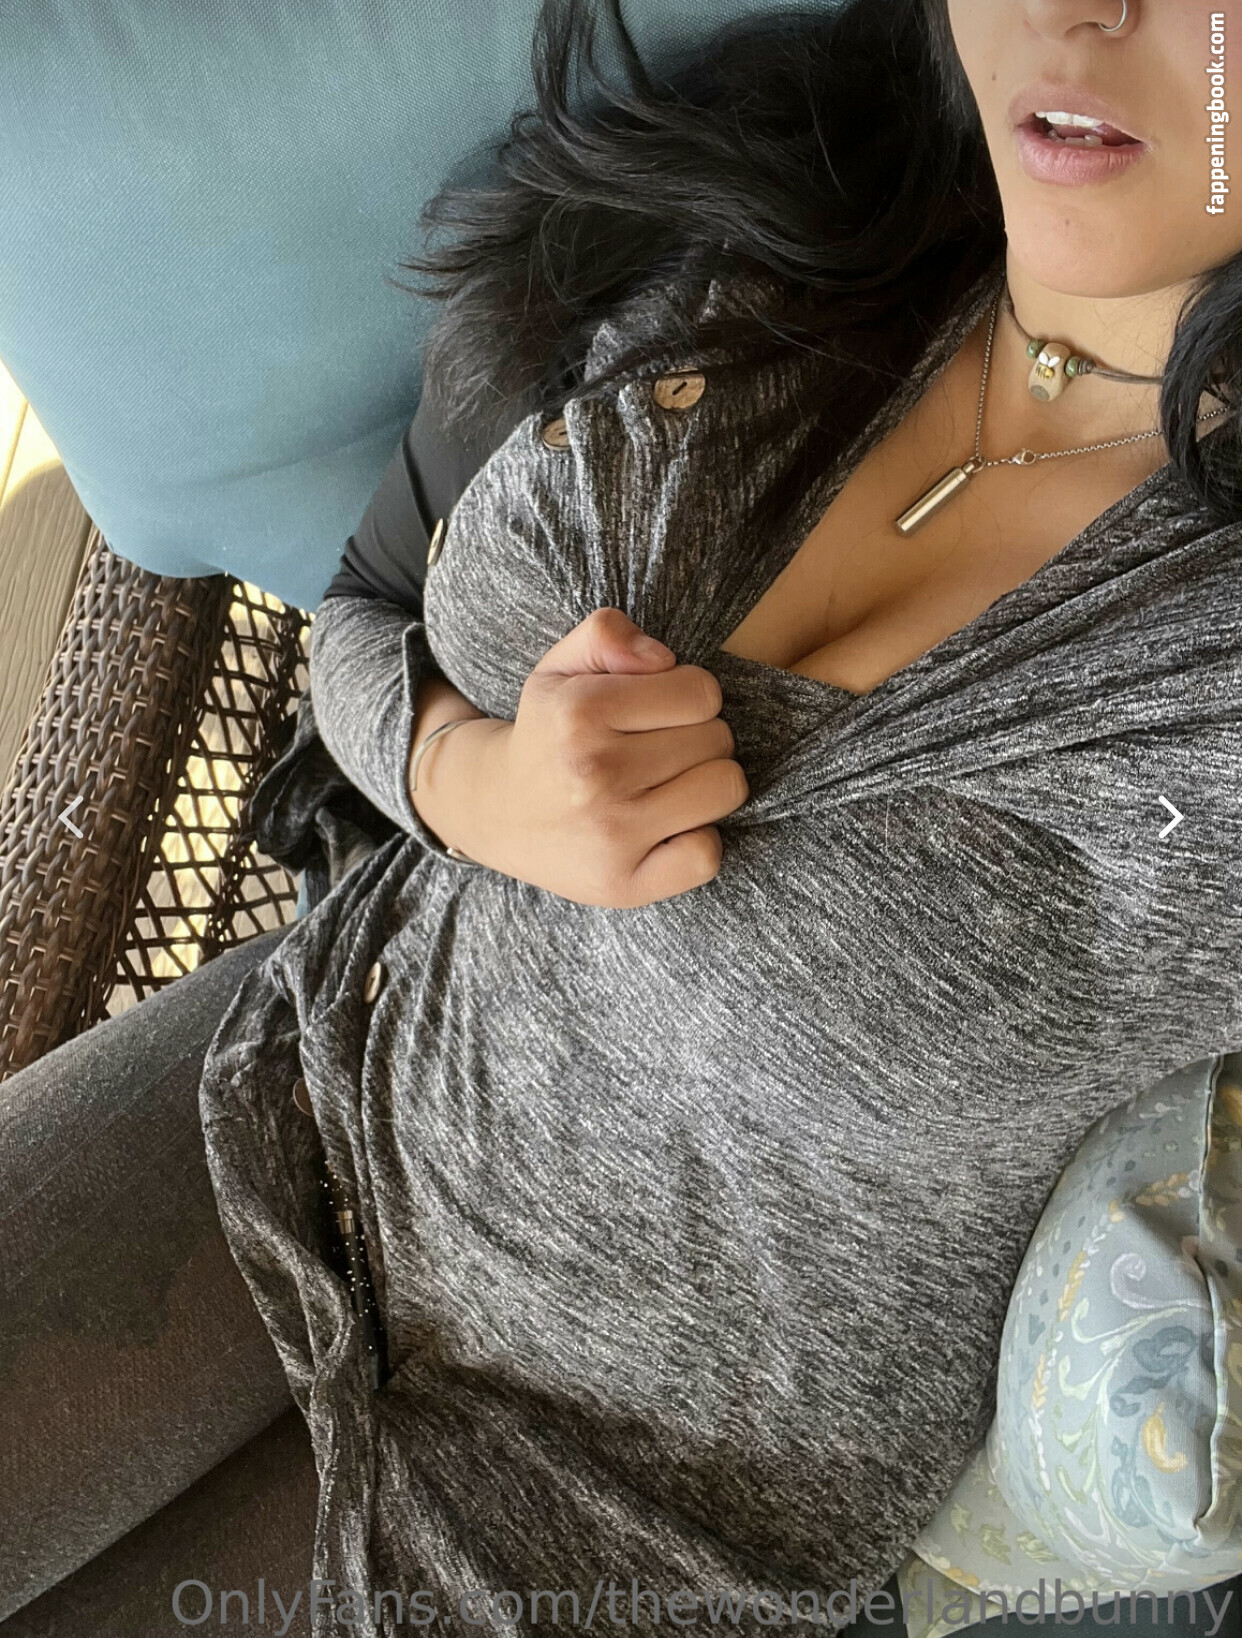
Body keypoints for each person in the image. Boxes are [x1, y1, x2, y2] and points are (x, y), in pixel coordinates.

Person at [2, 0, 1241, 1633]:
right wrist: (469, 779)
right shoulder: (759, 218)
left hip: (615, 1486)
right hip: (307, 1073)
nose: (1081, 14)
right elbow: (368, 606)